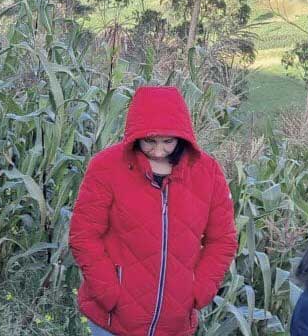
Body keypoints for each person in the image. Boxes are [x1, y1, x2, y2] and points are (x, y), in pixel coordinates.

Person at [69, 85, 238, 336]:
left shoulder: (208, 173)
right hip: (111, 322)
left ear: (182, 136)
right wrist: (109, 292)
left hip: (174, 324)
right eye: (149, 141)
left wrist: (199, 290)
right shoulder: (106, 167)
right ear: (135, 134)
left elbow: (222, 240)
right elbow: (83, 235)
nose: (158, 151)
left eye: (168, 141)